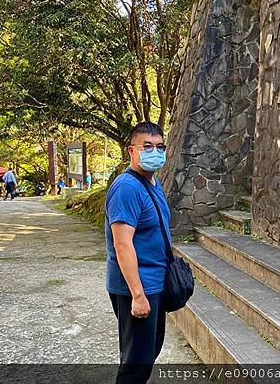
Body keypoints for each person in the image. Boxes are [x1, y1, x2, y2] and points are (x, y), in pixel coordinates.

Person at [105, 121, 170, 384]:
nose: (155, 152)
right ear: (131, 150)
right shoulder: (127, 188)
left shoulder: (151, 183)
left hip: (154, 283)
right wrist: (138, 295)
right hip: (138, 286)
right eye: (147, 147)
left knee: (147, 353)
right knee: (136, 363)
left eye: (159, 147)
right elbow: (122, 244)